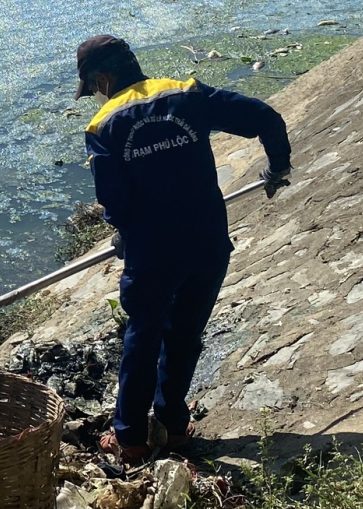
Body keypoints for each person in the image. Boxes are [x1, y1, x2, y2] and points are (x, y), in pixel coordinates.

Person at [76, 34, 292, 463]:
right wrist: (277, 165)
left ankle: (130, 439)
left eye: (93, 87)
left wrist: (120, 230)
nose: (95, 94)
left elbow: (114, 200)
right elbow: (265, 117)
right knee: (184, 334)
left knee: (142, 338)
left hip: (152, 252)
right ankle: (174, 427)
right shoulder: (187, 94)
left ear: (102, 77)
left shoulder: (103, 126)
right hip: (206, 241)